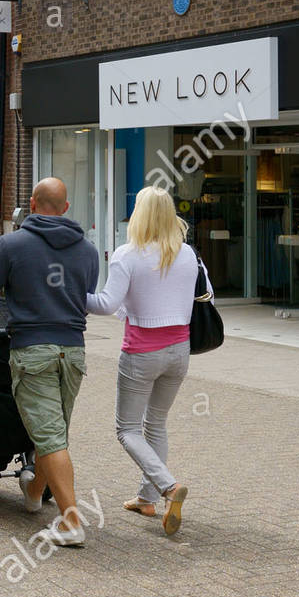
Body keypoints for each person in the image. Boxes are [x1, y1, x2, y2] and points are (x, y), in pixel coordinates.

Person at [0, 177, 98, 547]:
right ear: (66, 208)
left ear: (31, 203)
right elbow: (85, 295)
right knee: (52, 432)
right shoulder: (88, 251)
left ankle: (71, 521)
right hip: (73, 351)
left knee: (51, 436)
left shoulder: (11, 245)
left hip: (32, 350)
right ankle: (32, 493)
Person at [88, 186, 204, 536]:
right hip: (179, 352)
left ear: (139, 215)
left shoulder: (127, 254)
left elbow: (106, 304)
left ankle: (168, 487)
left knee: (127, 429)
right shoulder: (187, 254)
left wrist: (71, 296)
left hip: (141, 354)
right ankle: (146, 499)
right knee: (156, 424)